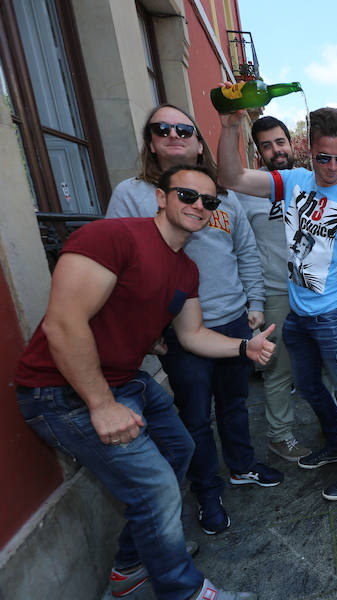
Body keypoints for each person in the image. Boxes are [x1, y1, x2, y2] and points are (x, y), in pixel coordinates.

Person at [16, 165, 268, 600]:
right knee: (154, 487)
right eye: (187, 195)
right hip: (62, 392)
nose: (199, 206)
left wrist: (244, 349)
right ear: (161, 197)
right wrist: (100, 404)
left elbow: (191, 336)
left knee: (180, 450)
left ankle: (134, 564)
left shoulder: (186, 269)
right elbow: (63, 324)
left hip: (125, 381)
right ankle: (183, 591)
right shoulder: (112, 238)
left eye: (209, 202)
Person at [105, 104, 282, 534]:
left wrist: (254, 304)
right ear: (150, 141)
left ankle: (241, 466)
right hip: (179, 331)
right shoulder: (131, 194)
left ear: (199, 142)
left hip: (234, 319)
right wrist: (144, 330)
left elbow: (245, 252)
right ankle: (207, 491)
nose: (174, 135)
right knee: (196, 416)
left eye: (185, 129)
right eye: (162, 129)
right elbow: (119, 270)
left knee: (237, 404)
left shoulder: (224, 194)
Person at [218, 105, 337, 501]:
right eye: (324, 157)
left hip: (332, 317)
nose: (332, 167)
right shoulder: (292, 182)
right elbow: (231, 177)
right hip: (297, 315)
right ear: (311, 152)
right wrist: (229, 126)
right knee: (306, 385)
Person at [233, 115, 309, 462]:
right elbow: (243, 250)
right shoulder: (247, 191)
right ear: (258, 151)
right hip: (275, 292)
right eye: (266, 145)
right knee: (278, 369)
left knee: (331, 363)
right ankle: (280, 435)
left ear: (291, 143)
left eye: (280, 141)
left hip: (314, 290)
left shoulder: (309, 182)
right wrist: (254, 300)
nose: (275, 150)